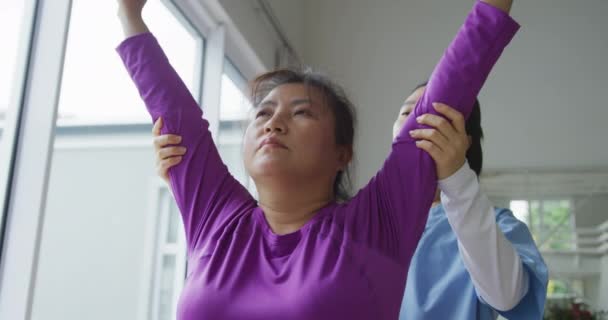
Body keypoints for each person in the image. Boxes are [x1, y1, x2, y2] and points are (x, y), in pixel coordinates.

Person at [115, 0, 519, 318]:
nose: (273, 123)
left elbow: (446, 93)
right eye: (263, 113)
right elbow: (174, 112)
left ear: (342, 153)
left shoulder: (374, 226)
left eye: (301, 112)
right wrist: (129, 13)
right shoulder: (216, 220)